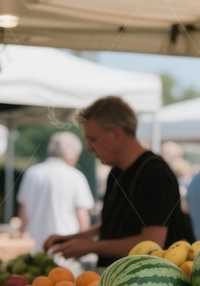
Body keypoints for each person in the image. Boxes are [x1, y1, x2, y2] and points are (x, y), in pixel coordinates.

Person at [44, 96, 192, 266]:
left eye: (93, 139)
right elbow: (114, 225)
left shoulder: (154, 173)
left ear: (116, 134)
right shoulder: (117, 172)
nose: (89, 148)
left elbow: (152, 242)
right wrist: (72, 239)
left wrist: (91, 246)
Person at [17, 131, 95, 253]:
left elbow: (24, 214)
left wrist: (20, 235)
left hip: (34, 246)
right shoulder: (75, 176)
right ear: (72, 154)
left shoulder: (31, 173)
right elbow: (82, 217)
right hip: (65, 248)